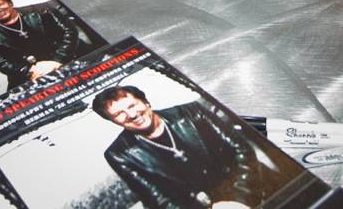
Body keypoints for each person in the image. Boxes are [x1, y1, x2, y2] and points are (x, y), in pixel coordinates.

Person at [92, 86, 278, 207]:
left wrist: (240, 200)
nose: (131, 115)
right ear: (114, 122)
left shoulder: (191, 112)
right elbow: (158, 201)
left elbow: (242, 151)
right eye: (119, 114)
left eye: (132, 105)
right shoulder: (119, 154)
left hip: (255, 187)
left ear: (147, 103)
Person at [0, 0, 92, 88]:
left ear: (10, 3)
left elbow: (69, 32)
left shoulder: (42, 9)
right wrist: (32, 71)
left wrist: (57, 61)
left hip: (69, 55)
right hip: (28, 72)